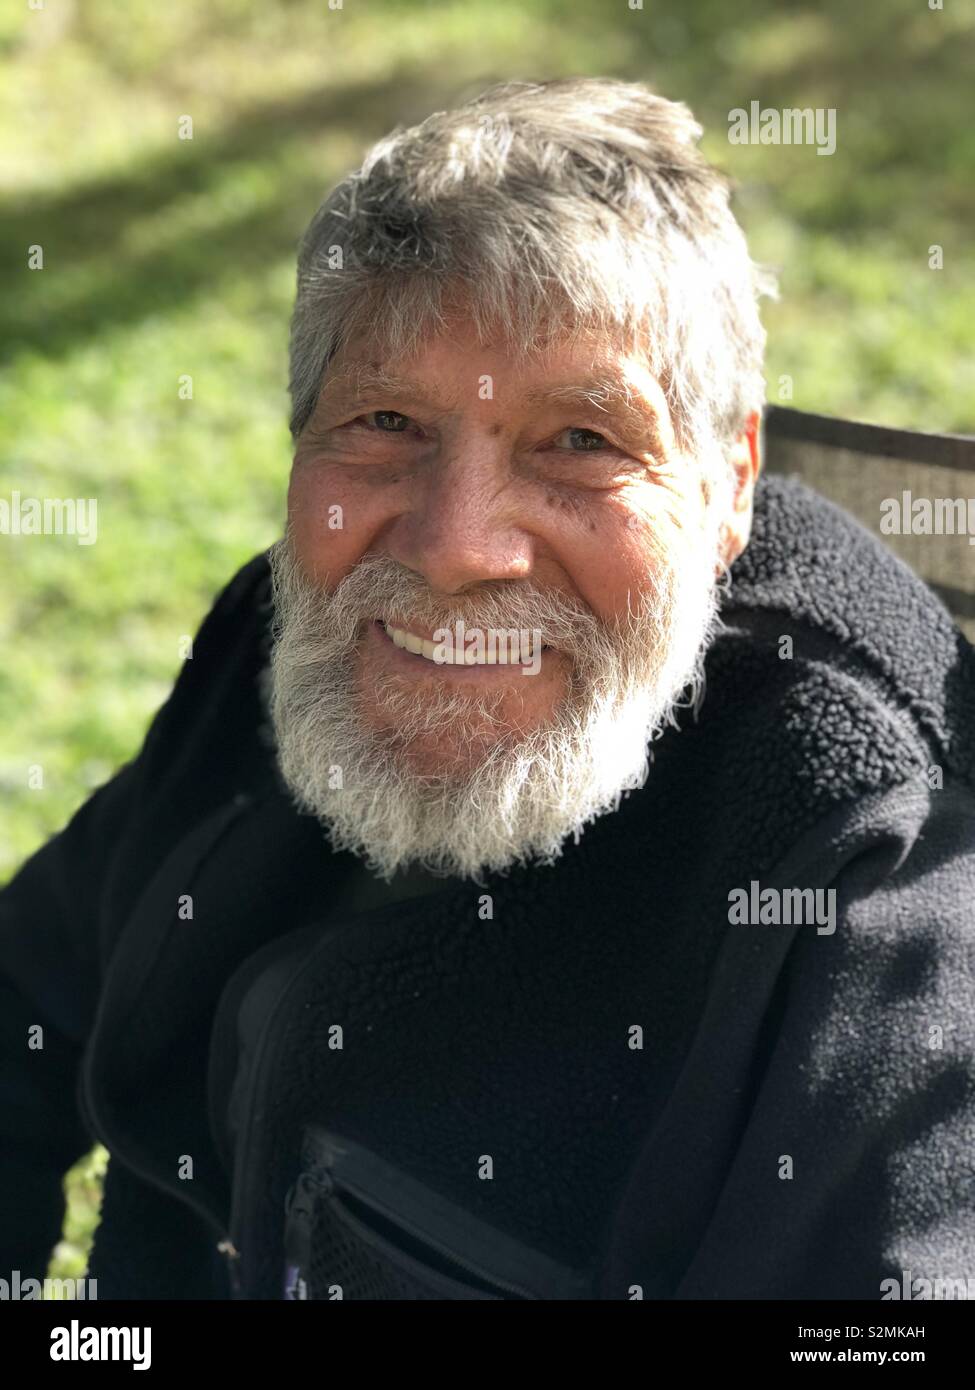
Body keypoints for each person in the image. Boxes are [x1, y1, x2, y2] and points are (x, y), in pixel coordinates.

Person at [2, 76, 974, 1301]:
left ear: (730, 488)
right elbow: (24, 998)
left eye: (581, 440)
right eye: (388, 417)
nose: (457, 547)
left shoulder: (862, 878)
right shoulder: (296, 634)